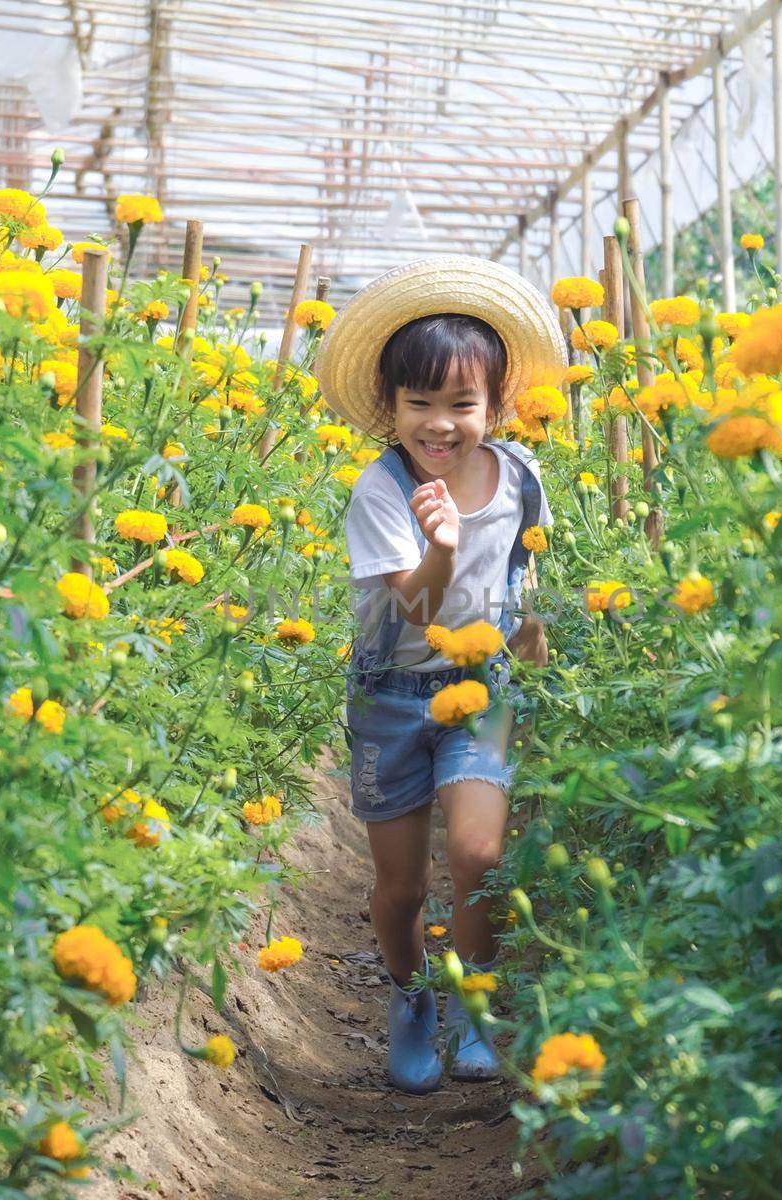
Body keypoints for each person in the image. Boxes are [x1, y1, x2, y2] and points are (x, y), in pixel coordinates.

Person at [313, 256, 565, 1094]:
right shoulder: (382, 492)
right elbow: (415, 612)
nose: (441, 424)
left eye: (462, 405)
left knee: (479, 850)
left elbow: (532, 566)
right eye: (420, 404)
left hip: (484, 690)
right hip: (392, 699)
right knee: (399, 887)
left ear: (494, 406)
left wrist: (536, 627)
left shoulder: (521, 477)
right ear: (391, 407)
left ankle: (474, 1001)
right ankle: (412, 994)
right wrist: (442, 547)